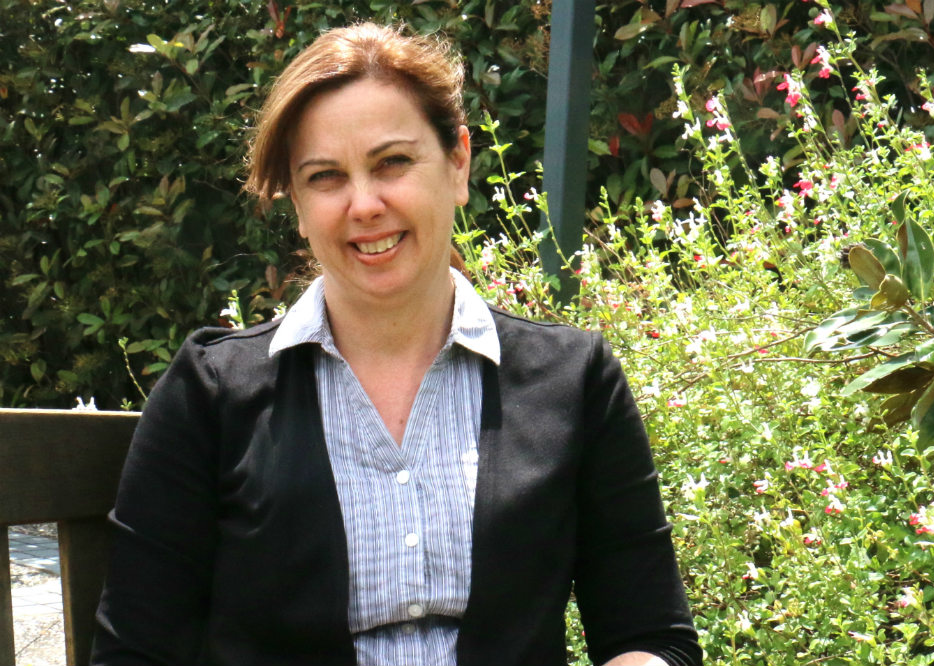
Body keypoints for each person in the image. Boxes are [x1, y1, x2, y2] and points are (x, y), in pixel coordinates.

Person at [91, 22, 702, 666]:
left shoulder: (574, 380)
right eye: (325, 177)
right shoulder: (210, 393)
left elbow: (650, 635)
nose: (364, 203)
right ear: (297, 204)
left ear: (458, 162)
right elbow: (136, 649)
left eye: (393, 163)